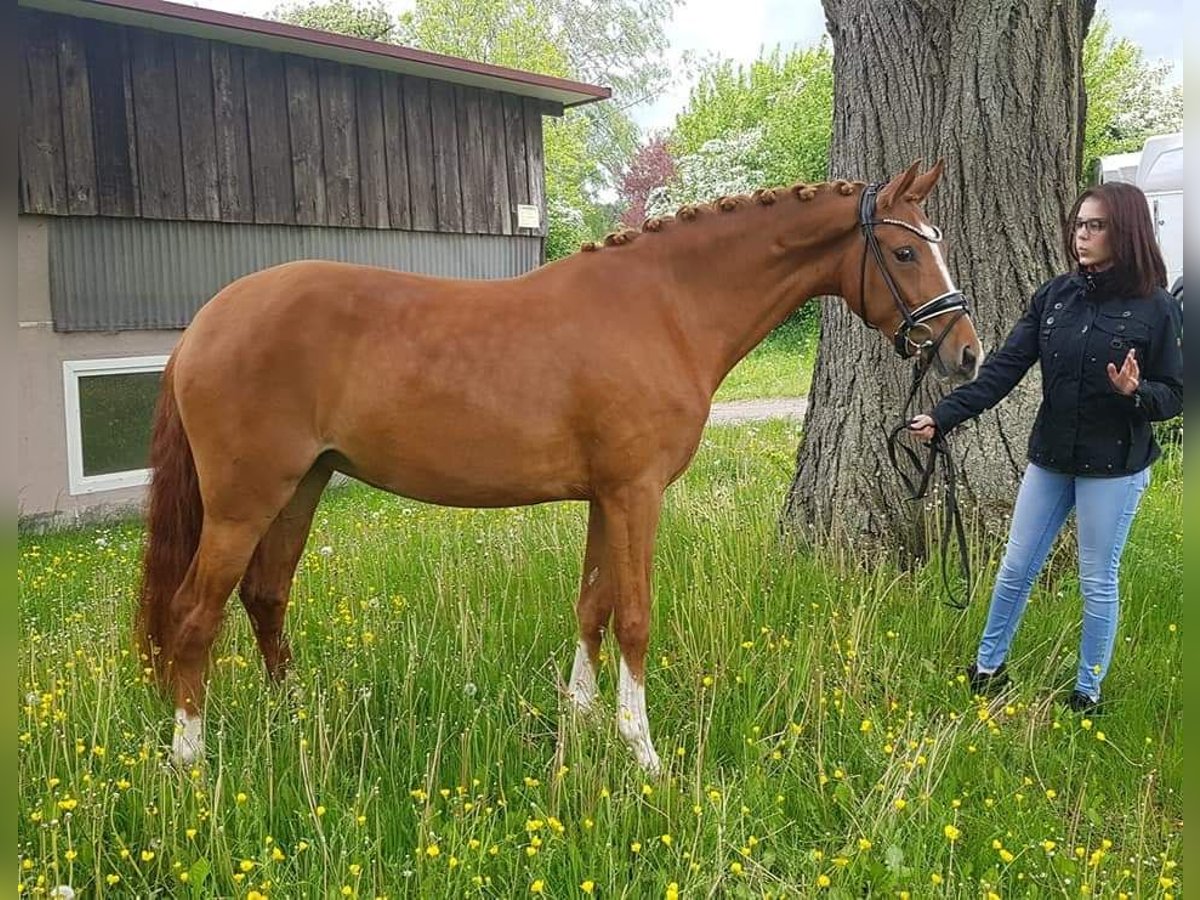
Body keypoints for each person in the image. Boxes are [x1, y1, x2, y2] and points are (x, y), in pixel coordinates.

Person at [908, 181, 1183, 713]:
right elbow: (1005, 369)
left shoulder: (1155, 308)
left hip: (1114, 466)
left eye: (1096, 225)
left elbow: (1175, 394)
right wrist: (944, 416)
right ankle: (988, 669)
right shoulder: (1055, 296)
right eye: (1079, 224)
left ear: (1124, 231)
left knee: (1097, 579)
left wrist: (1136, 392)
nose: (1082, 234)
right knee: (1015, 567)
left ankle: (1088, 692)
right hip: (1052, 458)